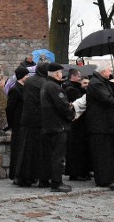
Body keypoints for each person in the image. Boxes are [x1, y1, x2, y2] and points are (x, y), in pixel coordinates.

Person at [85, 64, 114, 188]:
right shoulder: (96, 83)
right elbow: (106, 99)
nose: (110, 73)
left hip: (105, 122)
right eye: (109, 71)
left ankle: (113, 176)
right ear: (102, 72)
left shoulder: (101, 82)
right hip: (99, 123)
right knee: (103, 153)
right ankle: (105, 178)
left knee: (109, 151)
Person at [14, 62, 50, 187]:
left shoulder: (29, 81)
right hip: (39, 121)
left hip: (27, 120)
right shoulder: (45, 83)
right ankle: (41, 178)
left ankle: (24, 177)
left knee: (26, 151)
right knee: (40, 152)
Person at [40, 63, 74, 192]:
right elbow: (63, 106)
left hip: (49, 125)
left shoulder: (46, 85)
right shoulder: (54, 87)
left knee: (49, 155)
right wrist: (71, 114)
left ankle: (46, 179)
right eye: (60, 72)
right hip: (58, 126)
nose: (62, 74)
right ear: (56, 74)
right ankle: (56, 182)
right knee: (58, 156)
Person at [63, 68, 90, 181]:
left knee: (79, 148)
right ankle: (76, 172)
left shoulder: (72, 88)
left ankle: (81, 171)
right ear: (73, 77)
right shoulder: (71, 89)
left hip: (77, 123)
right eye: (78, 77)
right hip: (76, 123)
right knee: (76, 149)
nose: (80, 79)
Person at [6, 66, 29, 181]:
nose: (28, 77)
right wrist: (11, 123)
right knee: (16, 149)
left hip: (24, 122)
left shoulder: (25, 88)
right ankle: (14, 173)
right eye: (26, 75)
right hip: (17, 123)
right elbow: (9, 109)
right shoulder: (15, 89)